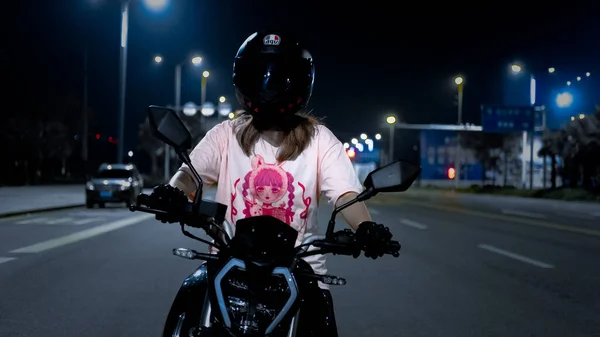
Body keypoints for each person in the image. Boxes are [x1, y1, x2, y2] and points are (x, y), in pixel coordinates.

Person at [158, 31, 396, 336]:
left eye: (278, 79)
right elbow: (190, 173)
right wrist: (172, 193)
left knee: (319, 321)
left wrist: (365, 227)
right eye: (260, 77)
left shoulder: (320, 140)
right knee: (189, 301)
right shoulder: (224, 135)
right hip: (228, 263)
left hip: (299, 270)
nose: (268, 88)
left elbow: (345, 194)